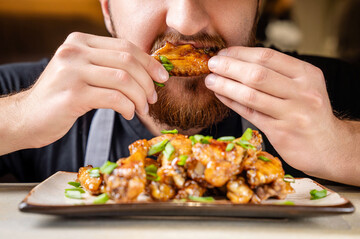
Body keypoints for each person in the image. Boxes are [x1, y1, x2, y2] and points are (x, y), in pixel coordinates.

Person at [0, 0, 359, 186]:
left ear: (256, 8)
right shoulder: (34, 90)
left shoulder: (327, 89)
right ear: (108, 10)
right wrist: (18, 118)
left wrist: (340, 144)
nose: (186, 22)